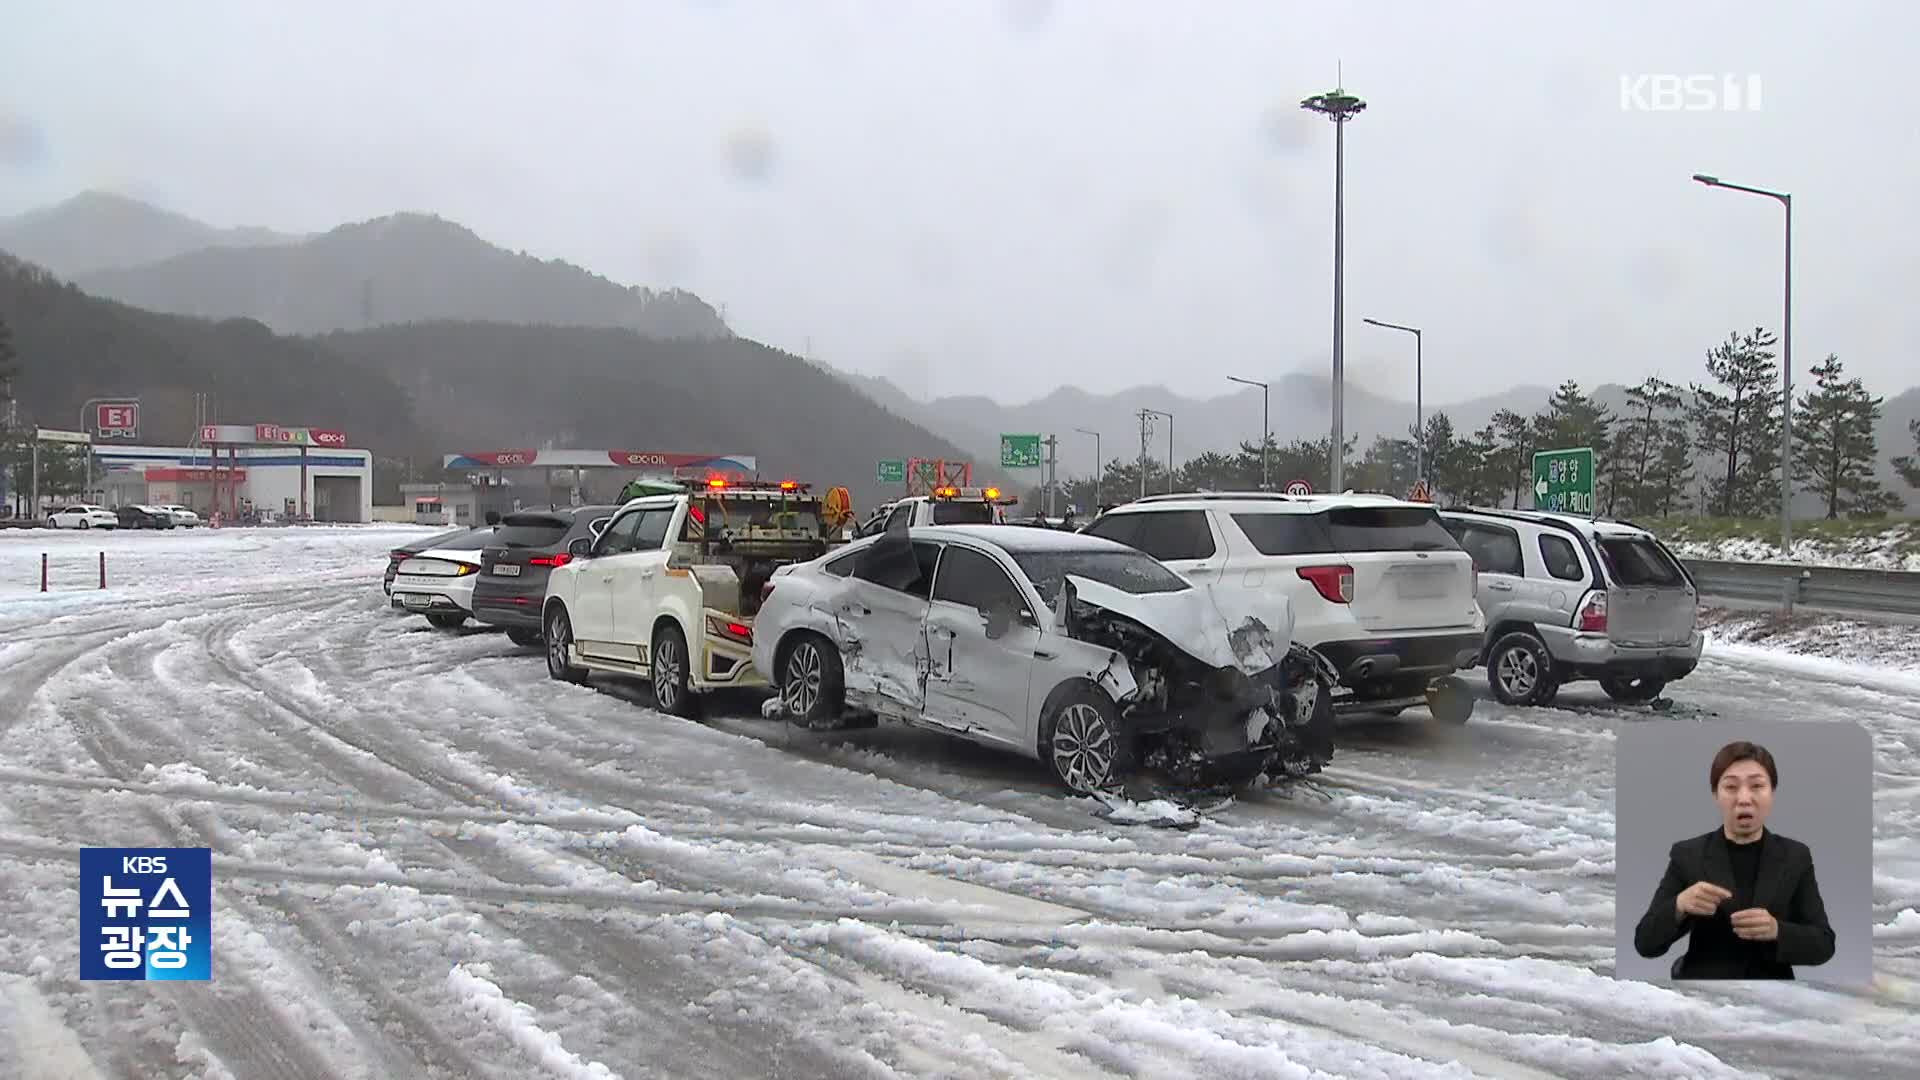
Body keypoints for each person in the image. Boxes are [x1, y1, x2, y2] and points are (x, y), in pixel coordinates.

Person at [1633, 740, 1835, 979]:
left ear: (1772, 793)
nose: (1744, 798)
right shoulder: (1689, 854)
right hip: (1703, 992)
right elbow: (1645, 943)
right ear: (1715, 794)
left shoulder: (1795, 856)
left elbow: (1824, 944)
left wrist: (1777, 930)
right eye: (1731, 787)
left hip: (1773, 995)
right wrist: (1679, 905)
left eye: (1757, 786)